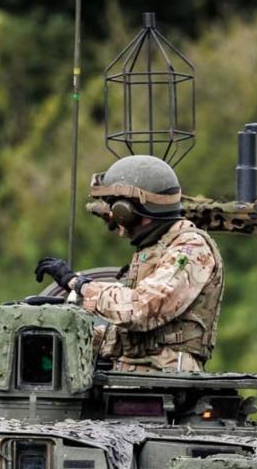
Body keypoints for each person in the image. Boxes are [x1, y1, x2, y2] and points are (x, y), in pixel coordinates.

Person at [35, 154, 224, 374]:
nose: (115, 220)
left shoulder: (190, 248)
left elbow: (140, 310)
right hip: (132, 372)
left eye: (117, 209)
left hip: (166, 379)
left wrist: (79, 285)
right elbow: (128, 336)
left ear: (130, 210)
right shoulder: (154, 249)